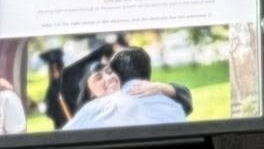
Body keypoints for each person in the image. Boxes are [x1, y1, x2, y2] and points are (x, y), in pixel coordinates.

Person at [61, 46, 190, 129]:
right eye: (98, 78)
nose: (109, 77)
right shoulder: (91, 110)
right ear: (89, 93)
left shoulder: (144, 91)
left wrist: (163, 87)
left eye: (109, 71)